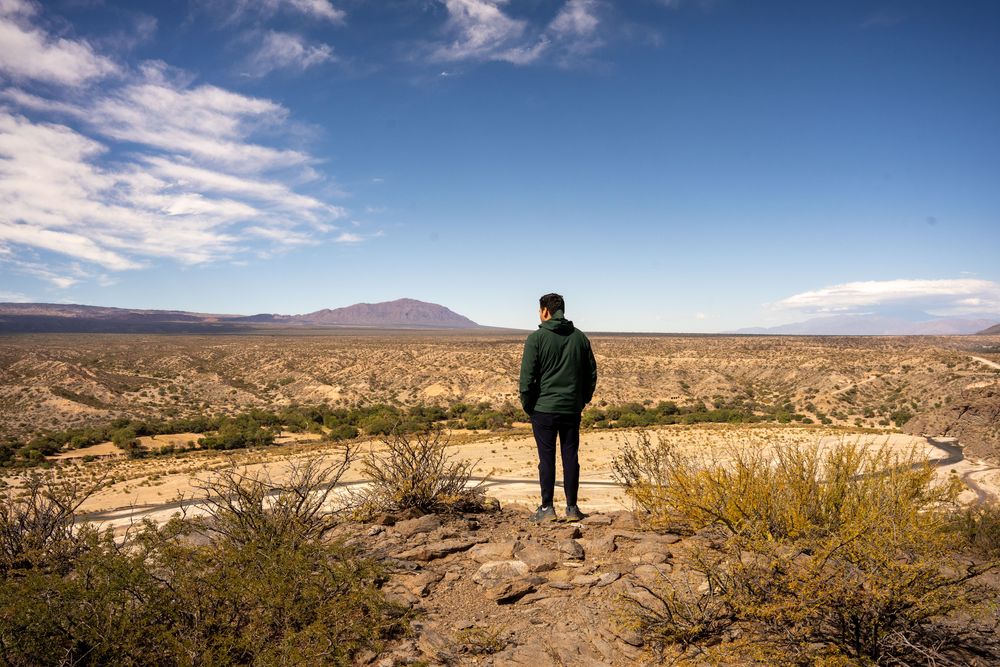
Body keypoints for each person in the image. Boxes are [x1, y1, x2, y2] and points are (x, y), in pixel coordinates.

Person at [518, 293, 598, 522]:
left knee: (546, 458)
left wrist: (529, 406)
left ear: (545, 311)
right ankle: (572, 508)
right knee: (570, 456)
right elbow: (591, 374)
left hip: (543, 409)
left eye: (539, 311)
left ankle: (547, 509)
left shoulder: (536, 339)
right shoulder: (580, 338)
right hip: (571, 408)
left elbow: (526, 379)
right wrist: (581, 400)